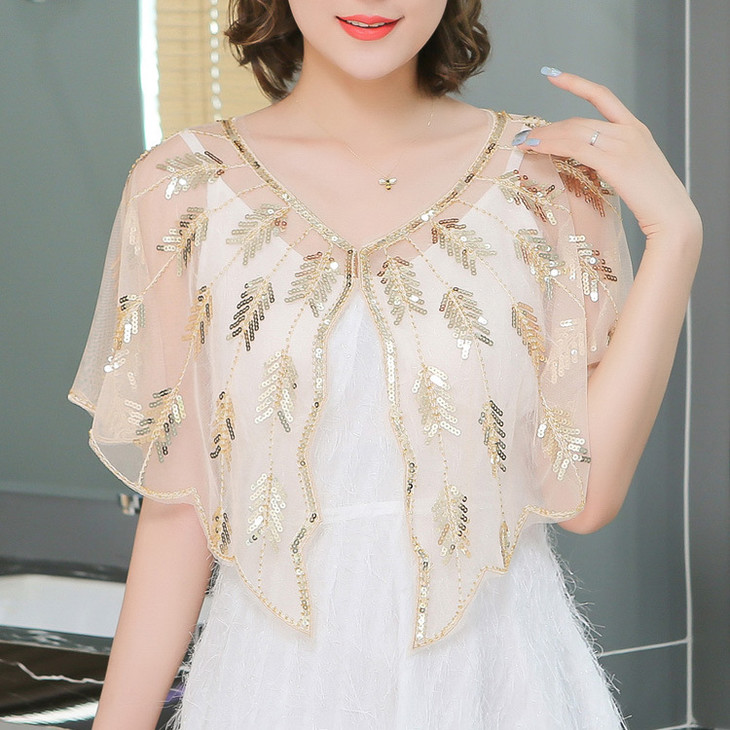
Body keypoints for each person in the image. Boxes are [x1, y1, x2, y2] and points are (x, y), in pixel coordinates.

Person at [67, 0, 702, 727]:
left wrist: (676, 234)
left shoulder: (548, 177)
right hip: (270, 687)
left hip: (499, 683)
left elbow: (586, 497)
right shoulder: (181, 184)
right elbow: (180, 509)